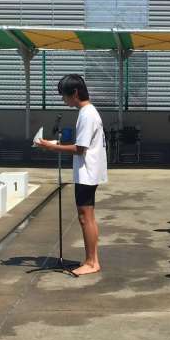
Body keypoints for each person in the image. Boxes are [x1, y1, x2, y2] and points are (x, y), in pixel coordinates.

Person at [36, 74, 107, 276]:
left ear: (75, 93)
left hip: (87, 172)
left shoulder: (86, 114)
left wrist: (52, 147)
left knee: (85, 217)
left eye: (64, 95)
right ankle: (92, 260)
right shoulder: (88, 112)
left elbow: (80, 148)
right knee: (88, 217)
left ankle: (91, 262)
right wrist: (55, 144)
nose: (63, 99)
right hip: (90, 171)